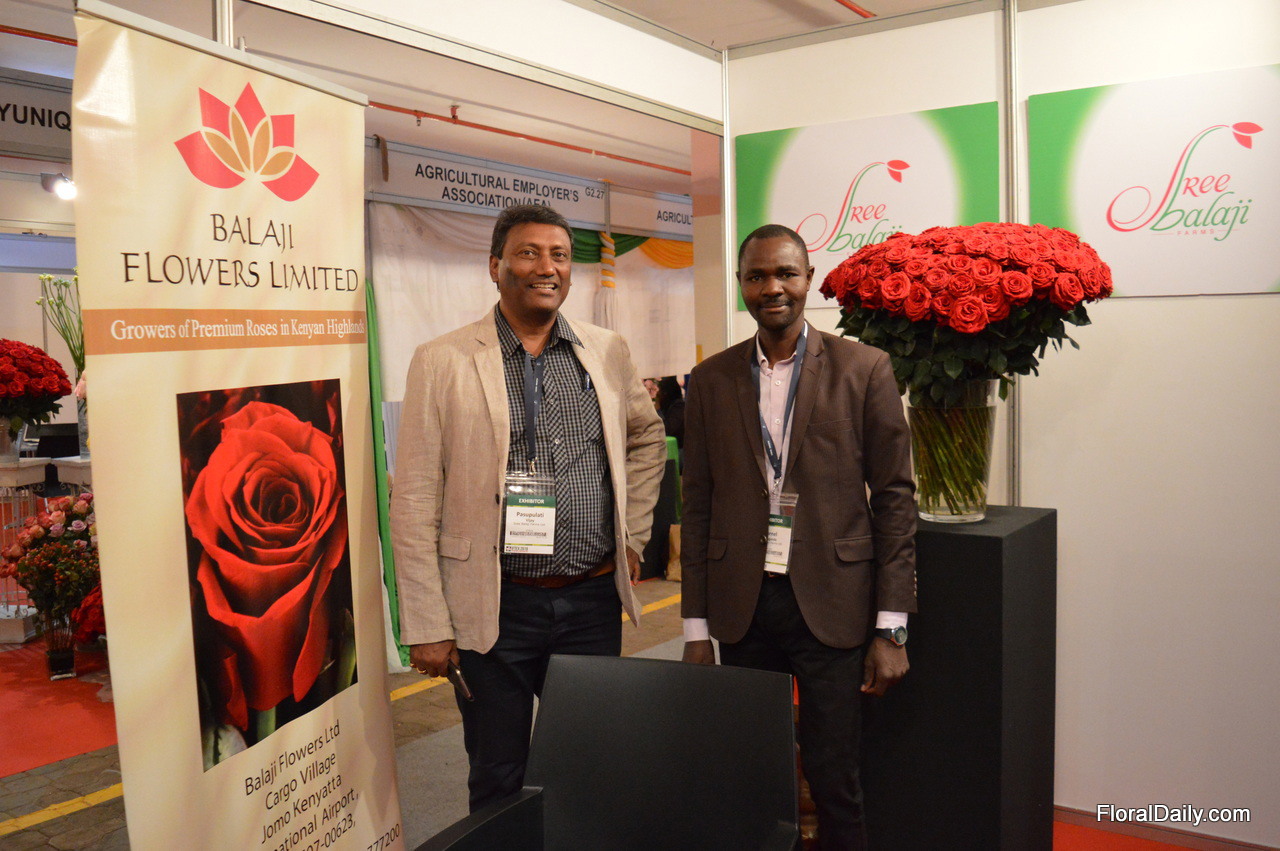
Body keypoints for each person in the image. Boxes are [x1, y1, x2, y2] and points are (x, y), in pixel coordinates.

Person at [391, 203, 667, 812]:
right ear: (495, 266)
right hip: (495, 605)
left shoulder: (605, 350)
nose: (548, 267)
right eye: (529, 253)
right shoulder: (443, 360)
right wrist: (427, 624)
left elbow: (647, 438)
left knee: (591, 764)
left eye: (560, 256)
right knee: (498, 773)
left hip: (591, 601)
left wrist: (632, 535)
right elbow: (412, 496)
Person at [680, 224, 917, 850]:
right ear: (740, 285)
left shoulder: (864, 368)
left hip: (834, 604)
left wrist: (892, 627)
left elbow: (895, 499)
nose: (772, 288)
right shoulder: (710, 379)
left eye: (786, 273)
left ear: (809, 279)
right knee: (752, 777)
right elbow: (697, 506)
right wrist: (695, 629)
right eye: (757, 276)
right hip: (743, 608)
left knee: (835, 777)